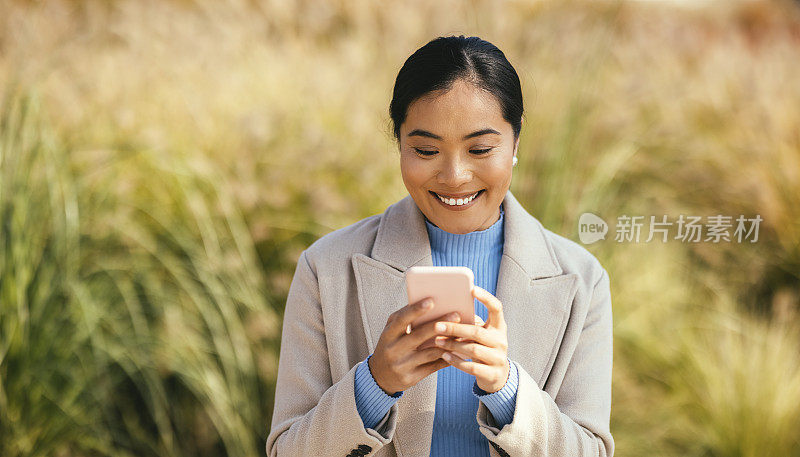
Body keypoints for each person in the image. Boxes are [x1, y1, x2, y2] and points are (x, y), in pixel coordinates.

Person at [266, 35, 614, 457]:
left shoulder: (582, 279)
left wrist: (508, 390)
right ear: (399, 143)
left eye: (480, 148)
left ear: (516, 142)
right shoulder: (326, 267)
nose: (454, 175)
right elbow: (287, 451)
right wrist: (374, 385)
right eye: (426, 149)